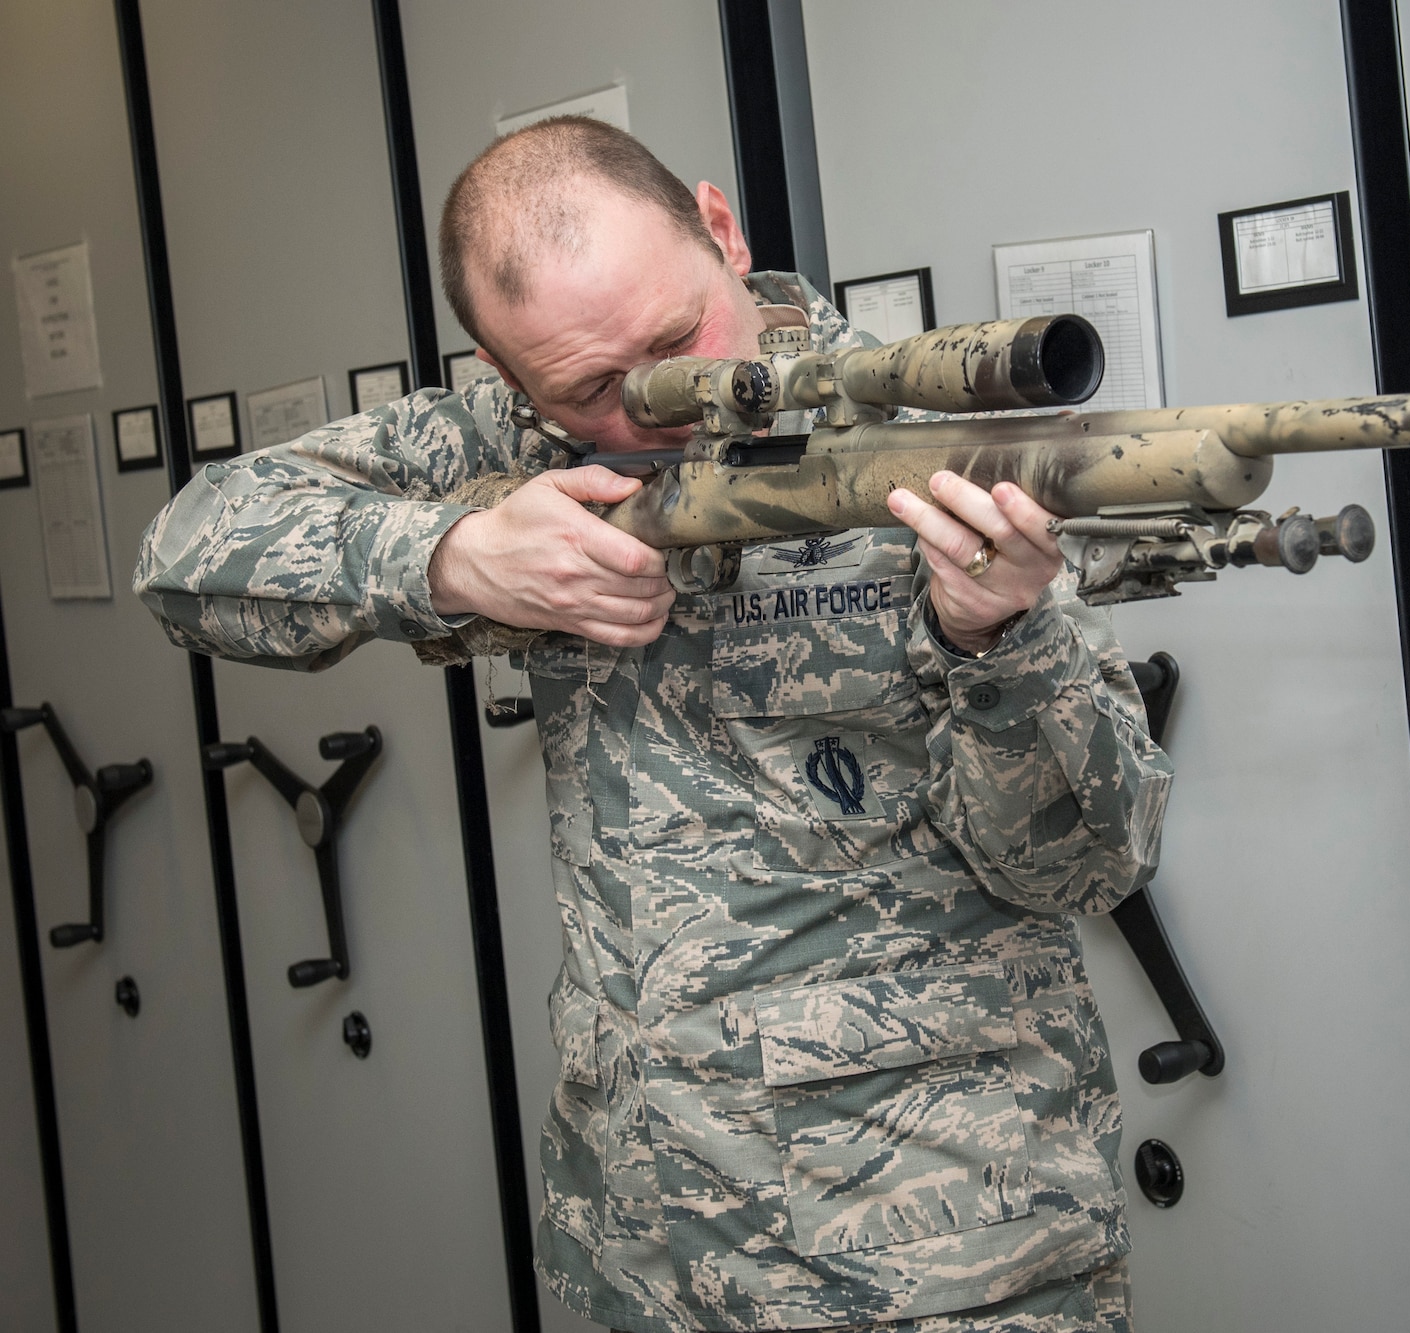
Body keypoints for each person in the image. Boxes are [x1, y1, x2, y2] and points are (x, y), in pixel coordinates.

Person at [135, 116, 1170, 1333]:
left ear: (719, 229)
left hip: (930, 1252)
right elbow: (188, 553)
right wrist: (452, 556)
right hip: (646, 1235)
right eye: (592, 388)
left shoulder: (933, 443)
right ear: (506, 370)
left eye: (680, 339)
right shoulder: (518, 443)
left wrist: (1001, 643)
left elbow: (1086, 864)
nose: (662, 402)